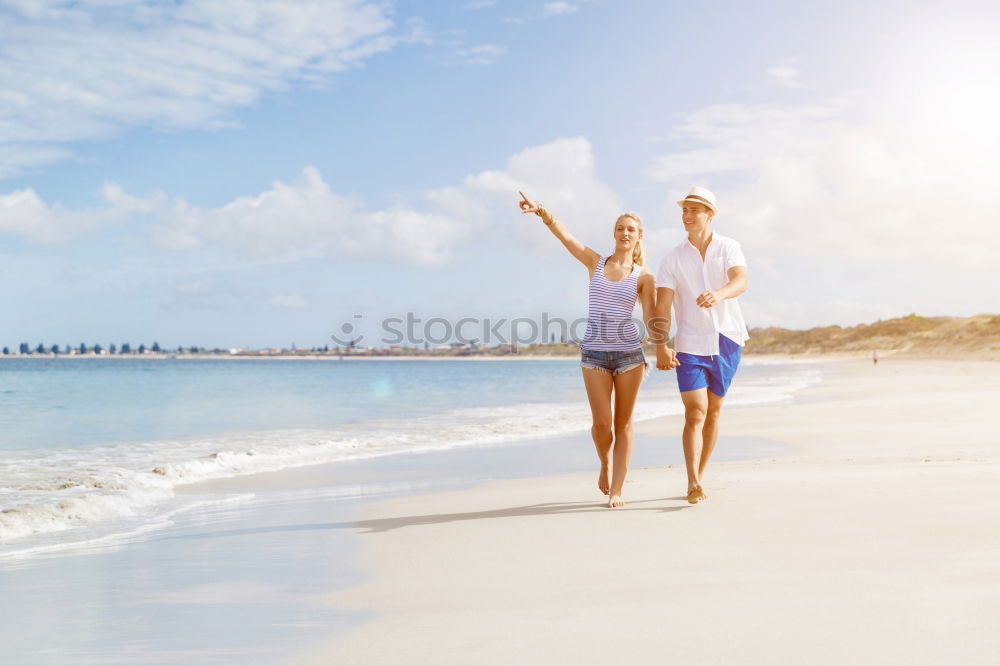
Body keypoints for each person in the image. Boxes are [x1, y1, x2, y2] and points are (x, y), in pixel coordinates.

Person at [518, 191, 656, 508]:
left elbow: (650, 313)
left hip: (629, 357)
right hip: (593, 354)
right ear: (614, 233)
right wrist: (542, 212)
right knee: (602, 425)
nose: (624, 233)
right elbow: (567, 239)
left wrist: (655, 336)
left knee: (624, 424)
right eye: (620, 228)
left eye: (630, 229)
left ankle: (617, 490)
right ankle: (605, 463)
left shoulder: (644, 276)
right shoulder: (596, 262)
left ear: (639, 237)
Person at [653, 186, 748, 504]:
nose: (687, 215)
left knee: (714, 412)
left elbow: (740, 281)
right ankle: (692, 482)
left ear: (710, 214)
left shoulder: (729, 247)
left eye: (695, 209)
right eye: (684, 210)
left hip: (727, 339)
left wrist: (719, 293)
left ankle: (700, 476)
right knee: (695, 412)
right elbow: (662, 306)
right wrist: (660, 345)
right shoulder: (671, 259)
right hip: (690, 344)